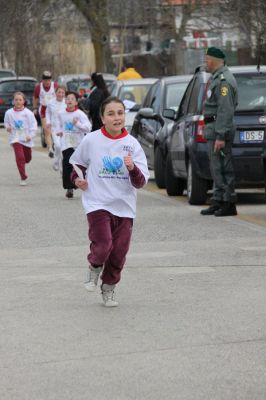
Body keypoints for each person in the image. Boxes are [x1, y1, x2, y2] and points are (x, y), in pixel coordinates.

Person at [69, 96, 149, 307]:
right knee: (103, 245)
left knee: (119, 253)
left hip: (124, 207)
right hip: (98, 203)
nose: (116, 118)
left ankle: (109, 287)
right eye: (111, 114)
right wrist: (77, 180)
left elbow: (140, 183)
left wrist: (132, 168)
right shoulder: (91, 140)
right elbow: (77, 165)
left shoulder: (132, 145)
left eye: (120, 113)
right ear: (102, 118)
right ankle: (94, 267)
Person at [201, 47, 238, 217]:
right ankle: (218, 200)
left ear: (213, 60)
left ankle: (228, 202)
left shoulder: (224, 81)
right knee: (216, 167)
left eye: (207, 59)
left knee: (223, 167)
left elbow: (225, 110)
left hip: (219, 130)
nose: (205, 63)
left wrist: (221, 135)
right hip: (213, 129)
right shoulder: (217, 78)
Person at [57, 91, 91, 198]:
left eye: (72, 99)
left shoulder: (80, 114)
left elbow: (88, 128)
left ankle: (80, 183)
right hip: (66, 143)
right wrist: (59, 131)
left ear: (76, 102)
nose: (69, 100)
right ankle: (69, 188)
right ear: (65, 101)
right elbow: (58, 126)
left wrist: (78, 124)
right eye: (68, 98)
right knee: (67, 163)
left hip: (78, 143)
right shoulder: (61, 114)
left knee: (76, 165)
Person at [4, 92, 37, 185]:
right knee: (20, 157)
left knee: (27, 158)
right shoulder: (9, 113)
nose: (18, 101)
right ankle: (23, 177)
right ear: (13, 101)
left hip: (26, 139)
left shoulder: (28, 113)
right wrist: (8, 127)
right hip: (15, 138)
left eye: (20, 100)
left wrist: (30, 136)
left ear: (24, 101)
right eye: (16, 100)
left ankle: (23, 162)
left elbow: (34, 126)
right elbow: (6, 122)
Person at [33, 70, 58, 158]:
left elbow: (60, 96)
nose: (47, 82)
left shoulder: (55, 86)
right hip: (44, 109)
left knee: (55, 128)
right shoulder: (38, 88)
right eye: (45, 80)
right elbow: (35, 98)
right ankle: (50, 148)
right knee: (47, 130)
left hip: (54, 109)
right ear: (42, 80)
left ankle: (56, 145)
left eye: (49, 80)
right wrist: (35, 108)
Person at [46, 85, 67, 172]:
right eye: (59, 92)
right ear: (56, 93)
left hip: (64, 129)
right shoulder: (51, 102)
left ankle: (61, 168)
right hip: (55, 128)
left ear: (64, 94)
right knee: (57, 146)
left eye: (62, 93)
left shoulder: (66, 102)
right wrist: (48, 122)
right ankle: (56, 161)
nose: (61, 94)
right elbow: (47, 112)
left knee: (63, 148)